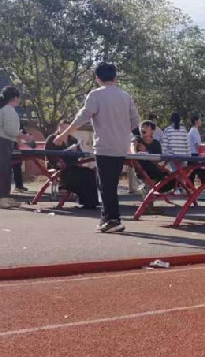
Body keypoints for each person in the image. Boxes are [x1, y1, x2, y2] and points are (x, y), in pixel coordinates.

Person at [55, 62, 141, 233]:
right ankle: (106, 217)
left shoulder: (96, 95)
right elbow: (134, 123)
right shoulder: (126, 96)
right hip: (120, 146)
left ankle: (113, 219)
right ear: (115, 77)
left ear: (97, 78)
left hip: (104, 146)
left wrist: (64, 134)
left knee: (106, 185)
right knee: (108, 183)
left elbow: (82, 117)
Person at [0, 86, 25, 208]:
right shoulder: (8, 109)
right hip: (0, 141)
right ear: (14, 98)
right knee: (1, 170)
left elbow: (8, 130)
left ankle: (3, 197)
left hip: (0, 141)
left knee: (6, 170)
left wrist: (17, 136)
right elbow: (10, 130)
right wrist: (23, 136)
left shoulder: (3, 108)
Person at [44, 119, 98, 209]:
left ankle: (91, 202)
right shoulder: (52, 138)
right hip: (58, 165)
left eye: (67, 127)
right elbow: (49, 154)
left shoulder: (72, 139)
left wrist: (76, 150)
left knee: (89, 173)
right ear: (59, 127)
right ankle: (67, 187)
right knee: (74, 175)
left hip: (72, 164)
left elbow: (80, 154)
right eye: (63, 127)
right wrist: (57, 162)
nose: (65, 129)